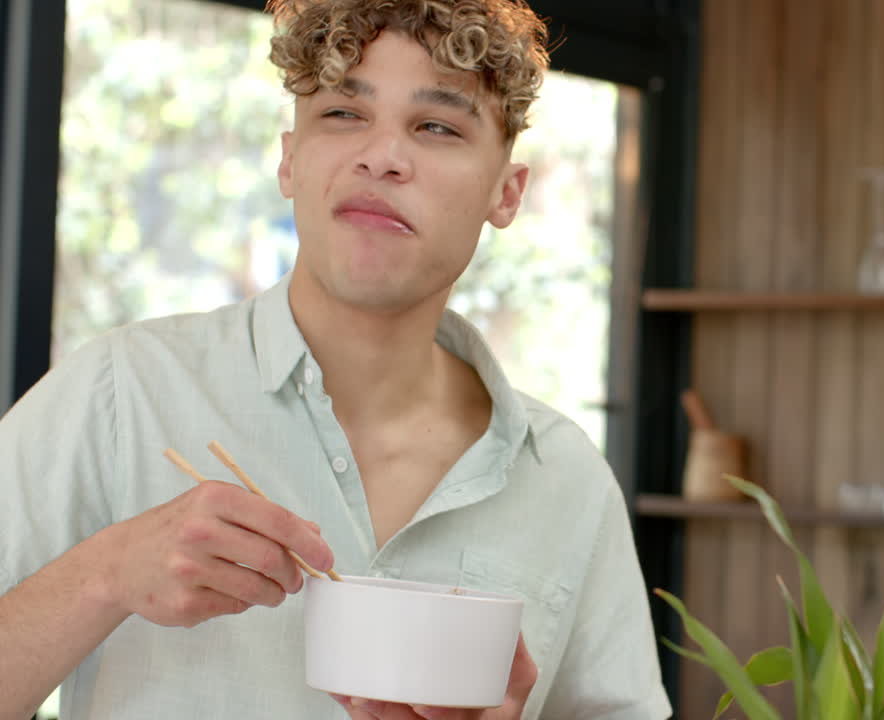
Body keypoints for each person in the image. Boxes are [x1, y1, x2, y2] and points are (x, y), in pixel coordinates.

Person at [0, 1, 671, 718]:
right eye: (344, 114)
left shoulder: (567, 481)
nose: (381, 155)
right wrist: (105, 574)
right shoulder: (117, 394)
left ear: (505, 195)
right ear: (289, 160)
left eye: (437, 125)